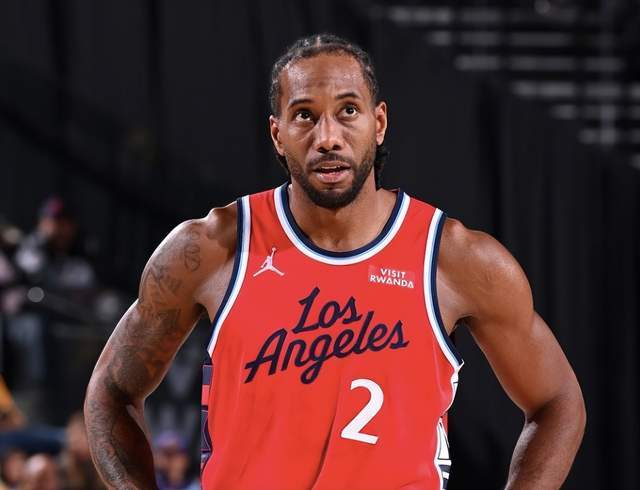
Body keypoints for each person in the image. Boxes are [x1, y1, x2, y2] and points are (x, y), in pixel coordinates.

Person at [84, 34, 585, 489]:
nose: (327, 136)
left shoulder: (454, 259)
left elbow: (557, 402)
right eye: (305, 115)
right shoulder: (212, 249)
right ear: (277, 134)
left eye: (348, 110)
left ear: (378, 123)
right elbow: (110, 392)